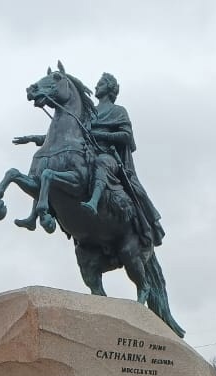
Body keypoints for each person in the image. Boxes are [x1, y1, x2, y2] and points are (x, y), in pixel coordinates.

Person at [81, 72, 164, 248]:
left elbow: (127, 136)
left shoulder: (118, 111)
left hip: (108, 156)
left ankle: (94, 202)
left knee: (103, 163)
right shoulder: (88, 113)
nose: (96, 87)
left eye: (100, 84)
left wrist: (100, 134)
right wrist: (36, 139)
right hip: (86, 154)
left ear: (109, 88)